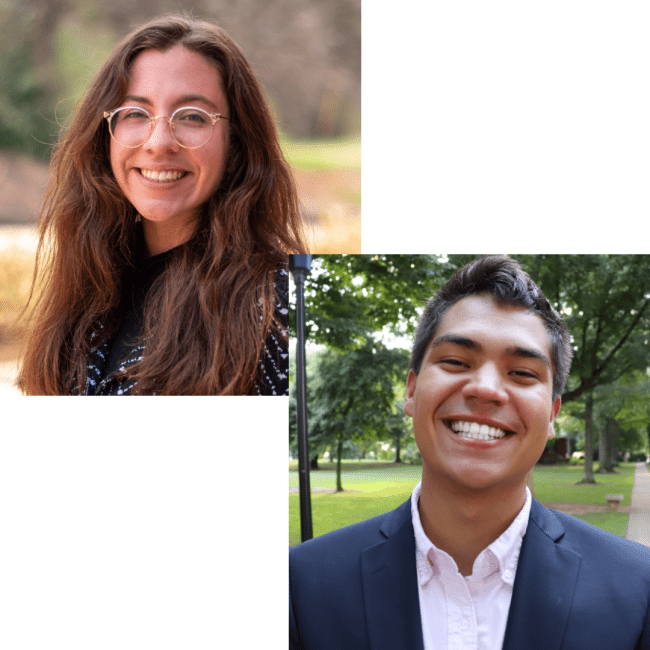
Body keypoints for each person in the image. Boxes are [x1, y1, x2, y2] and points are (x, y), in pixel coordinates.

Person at [289, 256, 650, 650]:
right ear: (411, 391)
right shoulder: (301, 584)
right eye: (457, 362)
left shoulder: (637, 587)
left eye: (523, 373)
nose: (486, 388)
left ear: (551, 413)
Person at [18, 14, 304, 396]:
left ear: (235, 143)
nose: (159, 142)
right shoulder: (87, 285)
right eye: (135, 112)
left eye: (192, 116)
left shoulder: (280, 307)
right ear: (107, 133)